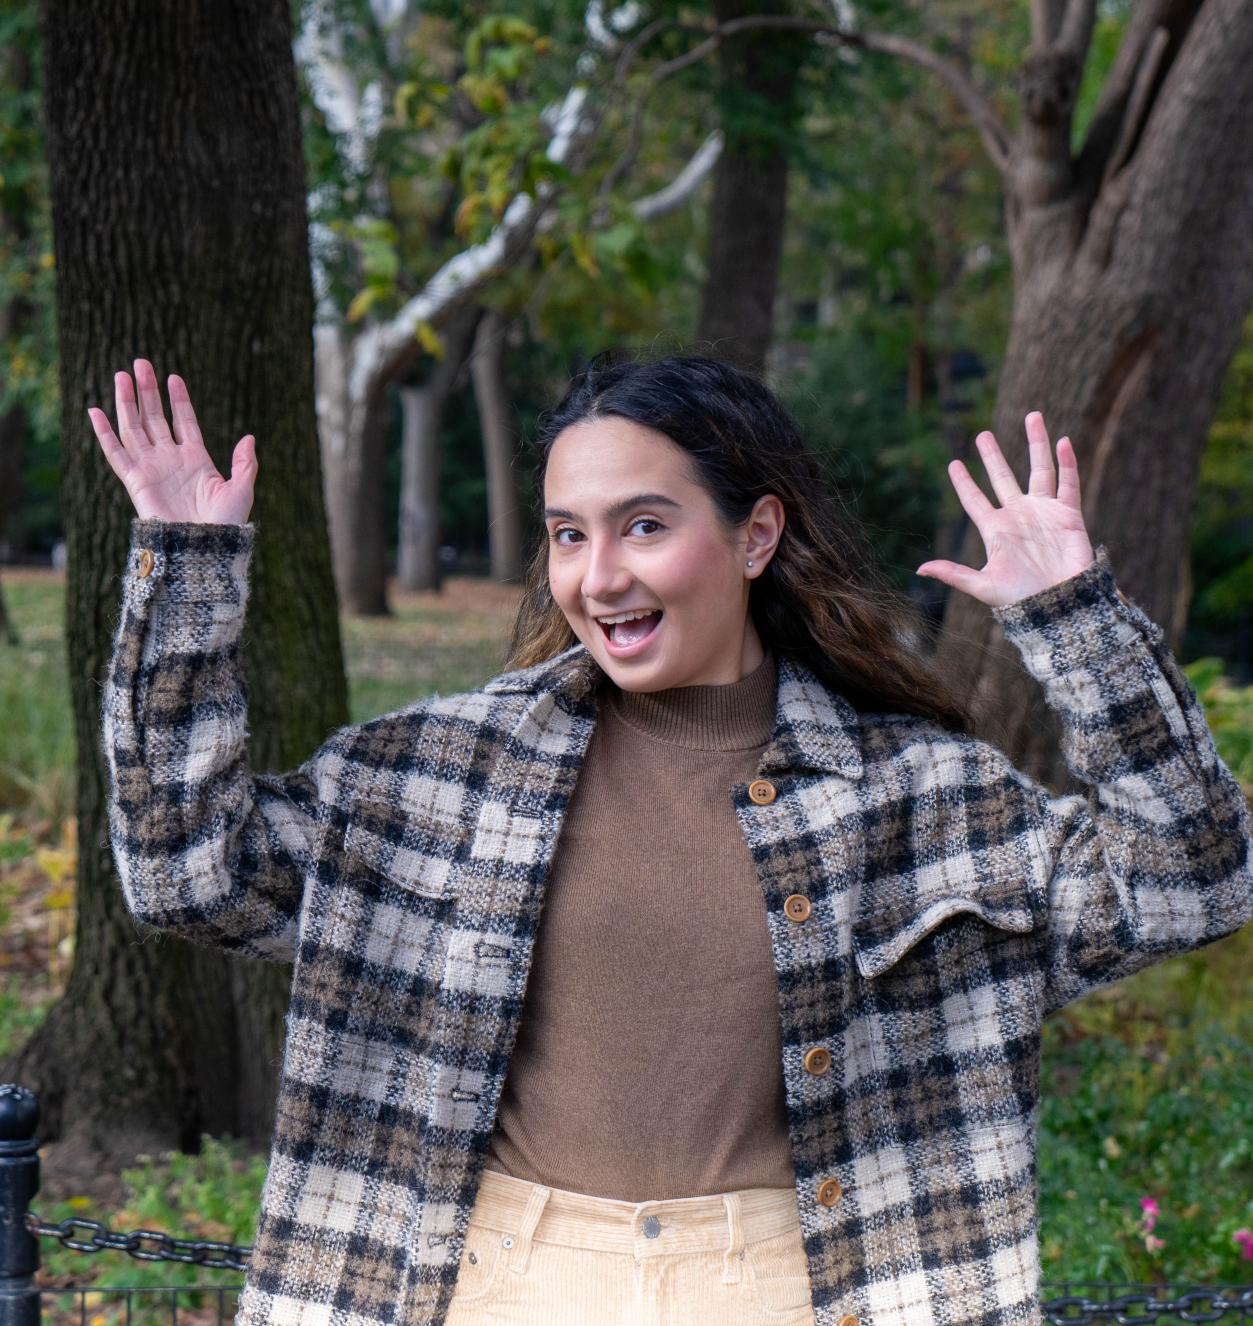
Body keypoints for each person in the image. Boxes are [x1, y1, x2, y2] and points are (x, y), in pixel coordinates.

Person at [90, 352, 1252, 1326]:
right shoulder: (438, 775)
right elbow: (188, 870)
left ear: (754, 537)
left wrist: (1075, 621)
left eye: (643, 525)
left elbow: (1191, 885)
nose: (600, 578)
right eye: (566, 534)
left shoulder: (920, 800)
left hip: (809, 1290)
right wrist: (184, 579)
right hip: (493, 1284)